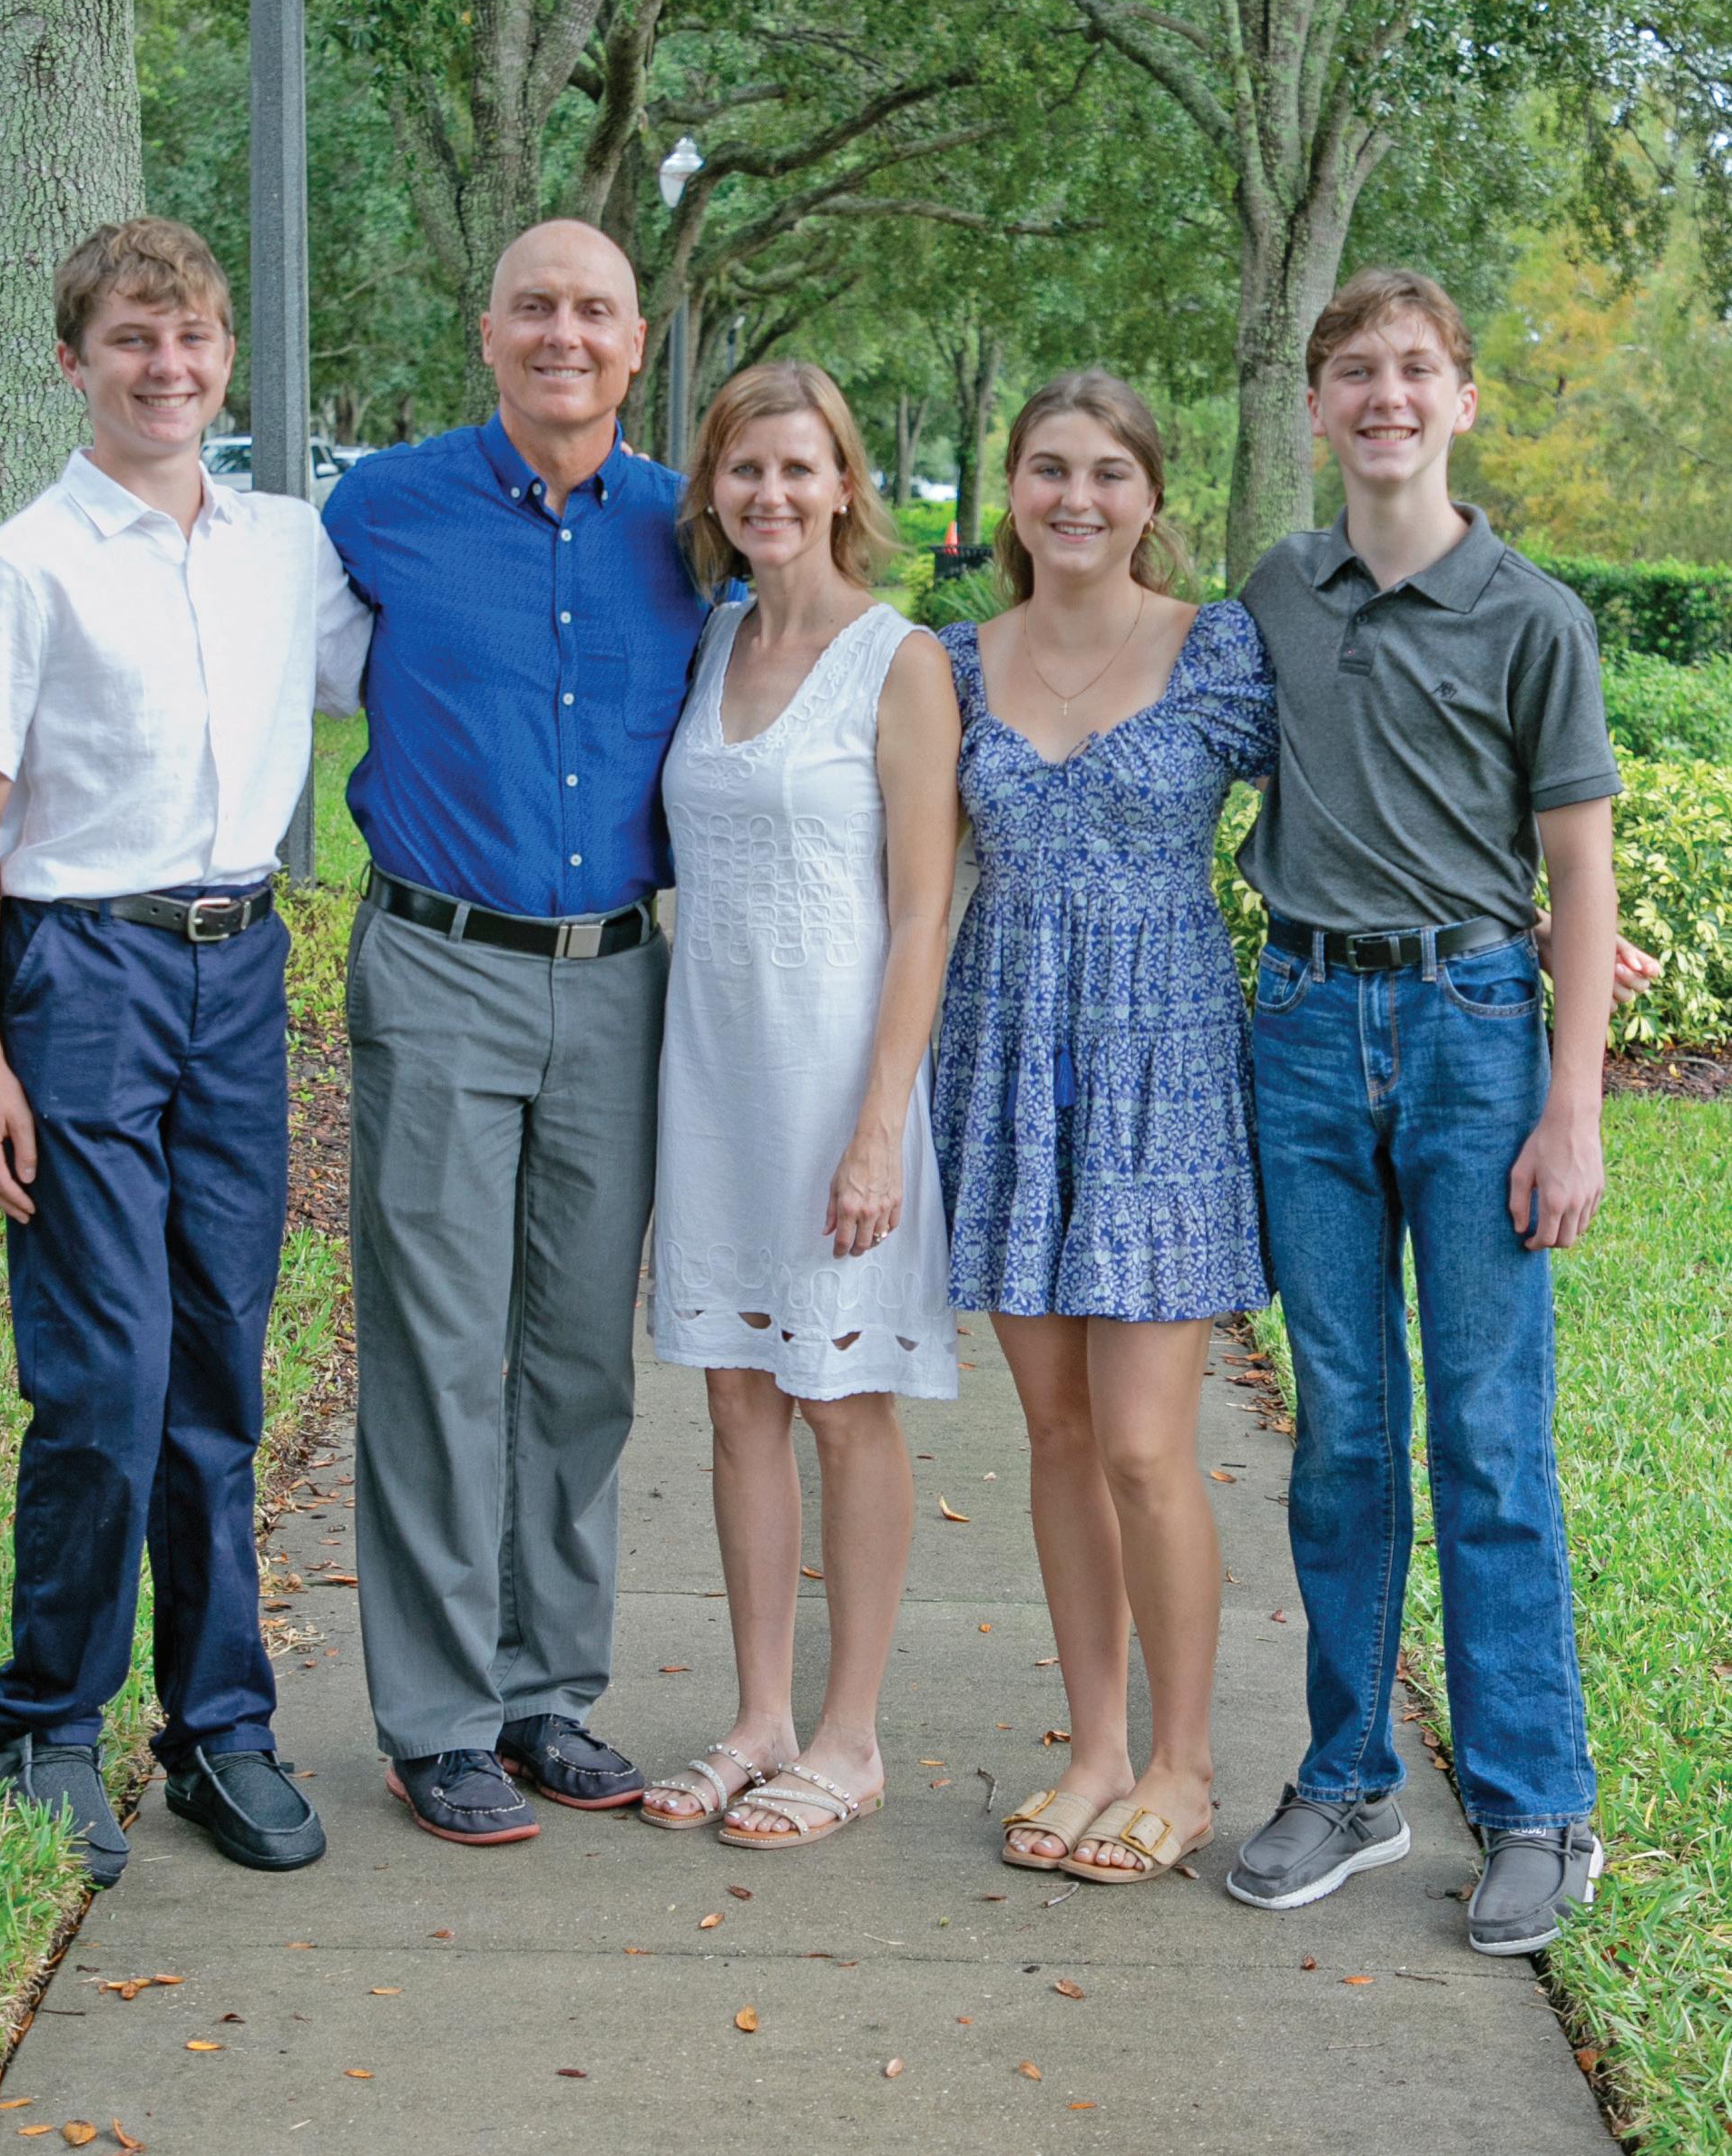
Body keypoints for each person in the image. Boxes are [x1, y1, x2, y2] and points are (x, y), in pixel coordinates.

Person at [0, 219, 370, 1883]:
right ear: (74, 361)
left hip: (238, 971)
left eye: (190, 338)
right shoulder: (22, 566)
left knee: (216, 1367)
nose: (166, 366)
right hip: (83, 979)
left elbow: (407, 674)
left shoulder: (287, 547)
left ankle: (218, 1728)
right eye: (131, 338)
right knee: (105, 1371)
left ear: (226, 357)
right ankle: (44, 1716)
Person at [1225, 268, 1621, 1957]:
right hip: (1307, 1027)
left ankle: (1537, 1805)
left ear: (1462, 399)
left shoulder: (1532, 616)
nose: (1384, 394)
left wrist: (1571, 1105)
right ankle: (1348, 1779)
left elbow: (1581, 874)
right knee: (1343, 1430)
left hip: (1473, 1038)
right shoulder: (1278, 590)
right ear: (1317, 403)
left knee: (1487, 1430)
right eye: (1354, 369)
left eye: (1415, 369)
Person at [322, 220, 709, 1845]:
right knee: (434, 1349)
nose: (565, 333)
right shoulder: (378, 507)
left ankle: (546, 1686)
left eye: (594, 310)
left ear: (636, 344)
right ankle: (437, 1719)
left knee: (576, 1354)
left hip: (619, 978)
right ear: (486, 333)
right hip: (440, 965)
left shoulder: (689, 529)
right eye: (535, 306)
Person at [932, 373, 1278, 1887]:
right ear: (1011, 490)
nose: (1077, 497)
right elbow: (898, 874)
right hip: (1006, 1063)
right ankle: (1093, 1752)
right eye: (1049, 469)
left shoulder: (1219, 650)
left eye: (1108, 472)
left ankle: (1183, 1766)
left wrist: (1530, 915)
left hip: (1166, 1075)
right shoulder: (950, 664)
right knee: (1060, 1435)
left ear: (1151, 497)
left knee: (1143, 1443)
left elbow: (1361, 794)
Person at [641, 364, 961, 1848]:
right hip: (716, 1077)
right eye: (743, 468)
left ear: (844, 483)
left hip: (842, 1083)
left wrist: (881, 1123)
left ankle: (850, 1735)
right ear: (712, 487)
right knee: (736, 1395)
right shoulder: (708, 640)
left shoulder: (900, 662)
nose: (770, 492)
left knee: (842, 1401)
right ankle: (760, 1714)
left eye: (797, 466)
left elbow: (923, 911)